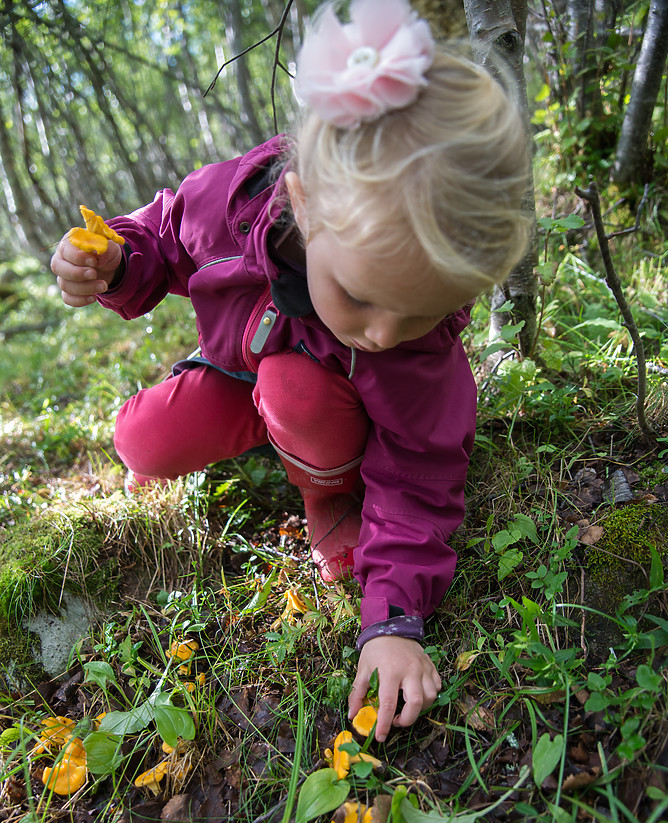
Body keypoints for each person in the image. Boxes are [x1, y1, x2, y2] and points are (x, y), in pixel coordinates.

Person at [50, 0, 529, 742]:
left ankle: (327, 493)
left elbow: (422, 477)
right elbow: (167, 233)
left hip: (320, 404)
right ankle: (250, 438)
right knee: (140, 442)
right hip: (240, 366)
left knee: (296, 390)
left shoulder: (414, 353)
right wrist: (116, 258)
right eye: (365, 299)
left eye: (421, 314)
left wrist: (393, 619)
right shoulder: (236, 205)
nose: (382, 334)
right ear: (303, 206)